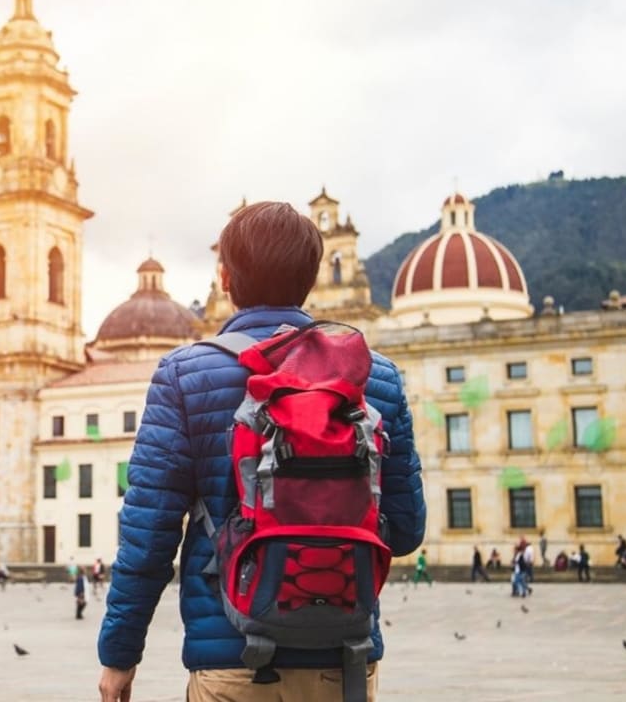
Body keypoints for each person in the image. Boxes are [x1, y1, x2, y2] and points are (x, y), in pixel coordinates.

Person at [98, 202, 425, 702]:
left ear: (225, 278)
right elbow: (405, 531)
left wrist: (120, 654)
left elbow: (148, 536)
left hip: (232, 659)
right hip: (346, 661)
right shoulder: (374, 376)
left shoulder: (183, 375)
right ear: (311, 278)